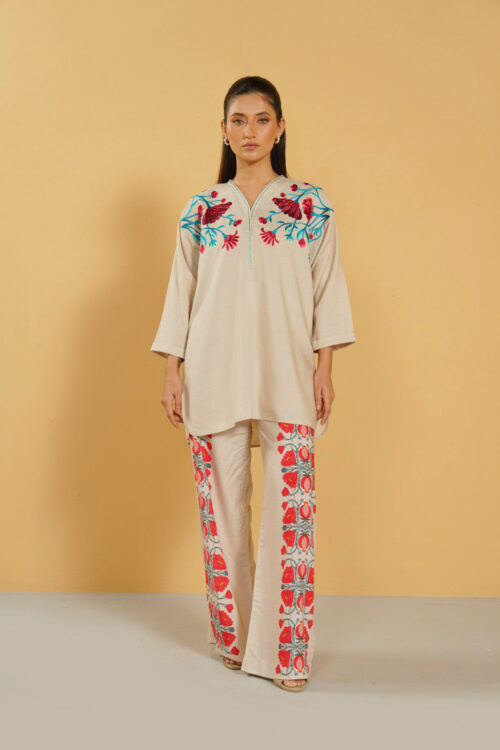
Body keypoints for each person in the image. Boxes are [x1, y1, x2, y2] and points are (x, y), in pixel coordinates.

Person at [150, 75, 356, 692]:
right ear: (223, 130)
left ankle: (285, 655)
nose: (250, 132)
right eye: (238, 121)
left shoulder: (309, 206)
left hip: (287, 373)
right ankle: (236, 641)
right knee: (222, 513)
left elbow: (327, 288)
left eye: (262, 120)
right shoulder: (202, 209)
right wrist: (171, 369)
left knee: (291, 517)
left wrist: (325, 366)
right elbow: (182, 292)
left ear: (280, 127)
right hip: (213, 373)